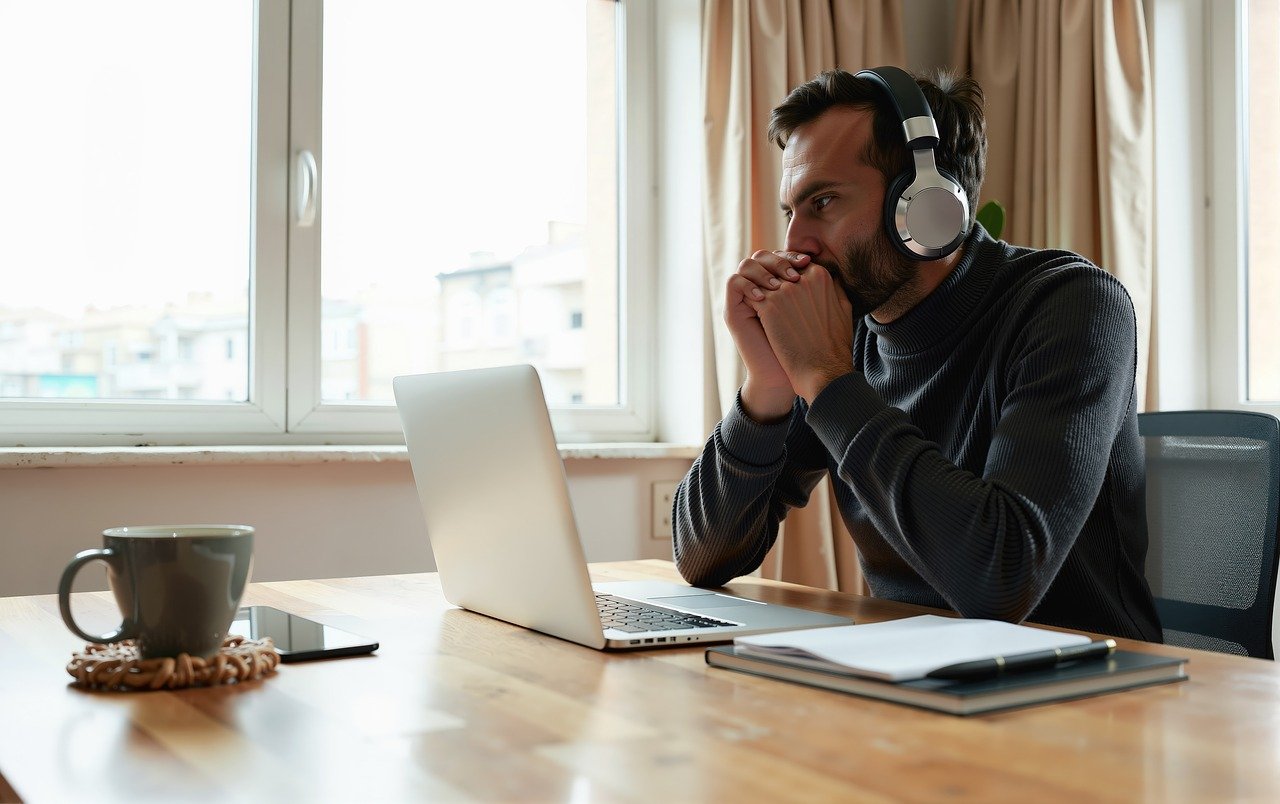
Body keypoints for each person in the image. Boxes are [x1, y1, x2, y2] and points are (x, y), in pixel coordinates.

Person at [673, 66, 1161, 642]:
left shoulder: (1071, 306)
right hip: (913, 673)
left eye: (823, 202)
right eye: (791, 212)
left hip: (1082, 696)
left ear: (926, 206)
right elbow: (703, 558)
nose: (793, 244)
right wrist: (769, 385)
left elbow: (1002, 577)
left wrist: (828, 381)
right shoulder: (845, 334)